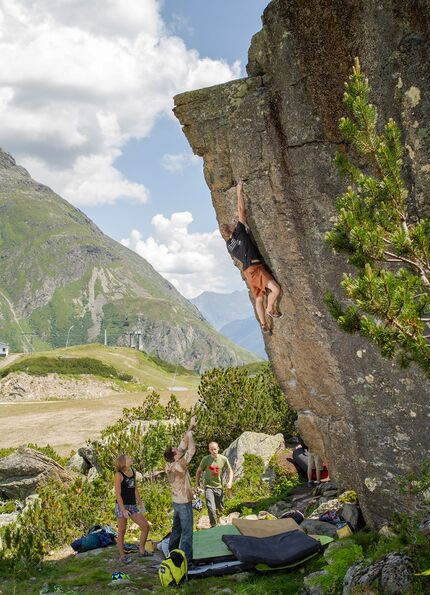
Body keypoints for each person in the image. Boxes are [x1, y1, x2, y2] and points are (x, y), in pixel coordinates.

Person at [220, 180, 282, 335]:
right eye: (231, 224)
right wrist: (239, 191)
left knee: (259, 298)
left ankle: (263, 325)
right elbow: (242, 210)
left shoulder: (229, 245)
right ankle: (270, 309)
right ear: (231, 230)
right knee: (275, 289)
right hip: (256, 268)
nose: (234, 223)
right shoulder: (239, 232)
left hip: (248, 273)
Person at [163, 415, 197, 564]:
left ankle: (172, 553)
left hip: (176, 502)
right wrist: (191, 434)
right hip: (183, 502)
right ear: (175, 455)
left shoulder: (172, 464)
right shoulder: (179, 466)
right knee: (187, 532)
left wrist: (191, 427)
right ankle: (185, 560)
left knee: (176, 529)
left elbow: (182, 445)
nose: (178, 448)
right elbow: (191, 450)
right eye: (175, 449)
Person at [114, 454, 150, 565]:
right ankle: (122, 556)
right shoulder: (118, 475)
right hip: (122, 505)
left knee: (145, 526)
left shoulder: (133, 471)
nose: (131, 459)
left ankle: (142, 551)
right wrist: (123, 510)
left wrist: (140, 503)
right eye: (128, 458)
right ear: (123, 462)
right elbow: (118, 494)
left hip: (132, 505)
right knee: (122, 531)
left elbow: (135, 489)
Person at [196, 441, 233, 527]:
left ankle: (219, 518)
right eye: (212, 449)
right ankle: (213, 525)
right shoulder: (206, 459)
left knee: (220, 508)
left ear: (218, 449)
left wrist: (230, 481)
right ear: (209, 450)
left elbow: (229, 470)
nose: (214, 451)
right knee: (211, 507)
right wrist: (197, 483)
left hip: (219, 486)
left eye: (215, 449)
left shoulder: (223, 459)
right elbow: (199, 471)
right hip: (208, 486)